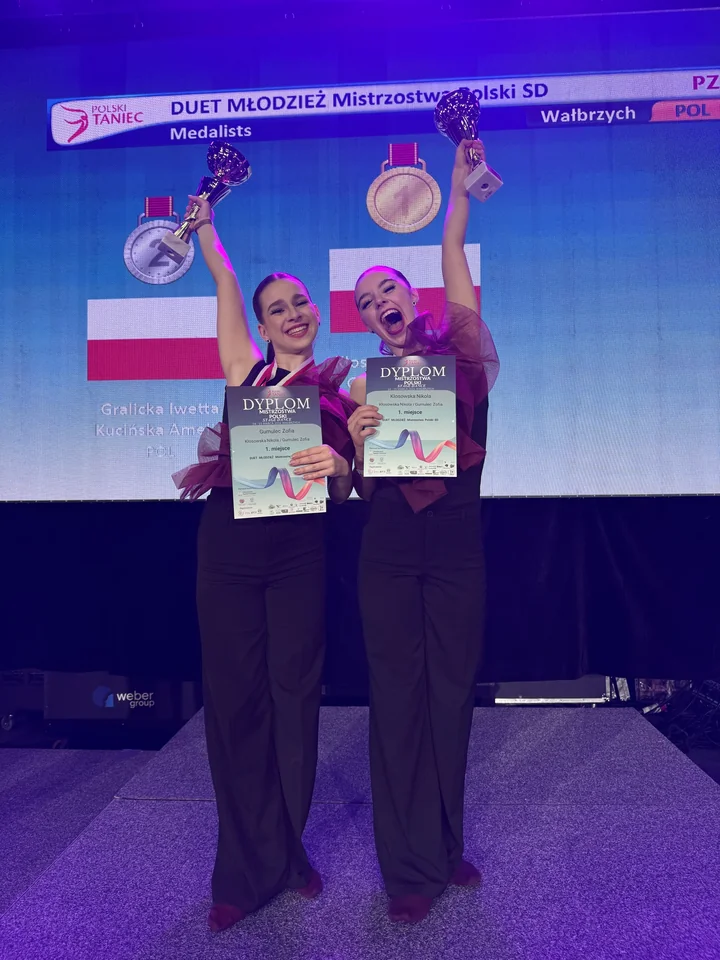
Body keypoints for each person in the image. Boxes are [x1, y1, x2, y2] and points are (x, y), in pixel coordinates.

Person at [172, 196, 355, 932]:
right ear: (264, 325)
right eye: (277, 308)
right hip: (229, 552)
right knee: (235, 704)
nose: (293, 314)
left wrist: (340, 465)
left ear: (315, 313)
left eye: (300, 302)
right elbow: (223, 280)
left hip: (299, 555)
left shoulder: (341, 390)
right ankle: (240, 873)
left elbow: (345, 490)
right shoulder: (244, 372)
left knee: (294, 703)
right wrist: (207, 230)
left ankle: (288, 854)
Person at [347, 140, 500, 924]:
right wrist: (356, 442)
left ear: (412, 298)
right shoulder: (358, 387)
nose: (381, 301)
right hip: (388, 551)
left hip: (457, 548)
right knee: (399, 701)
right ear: (367, 321)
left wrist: (458, 191)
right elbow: (352, 483)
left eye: (389, 289)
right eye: (367, 300)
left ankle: (443, 843)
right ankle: (407, 868)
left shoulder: (462, 357)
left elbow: (455, 262)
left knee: (449, 699)